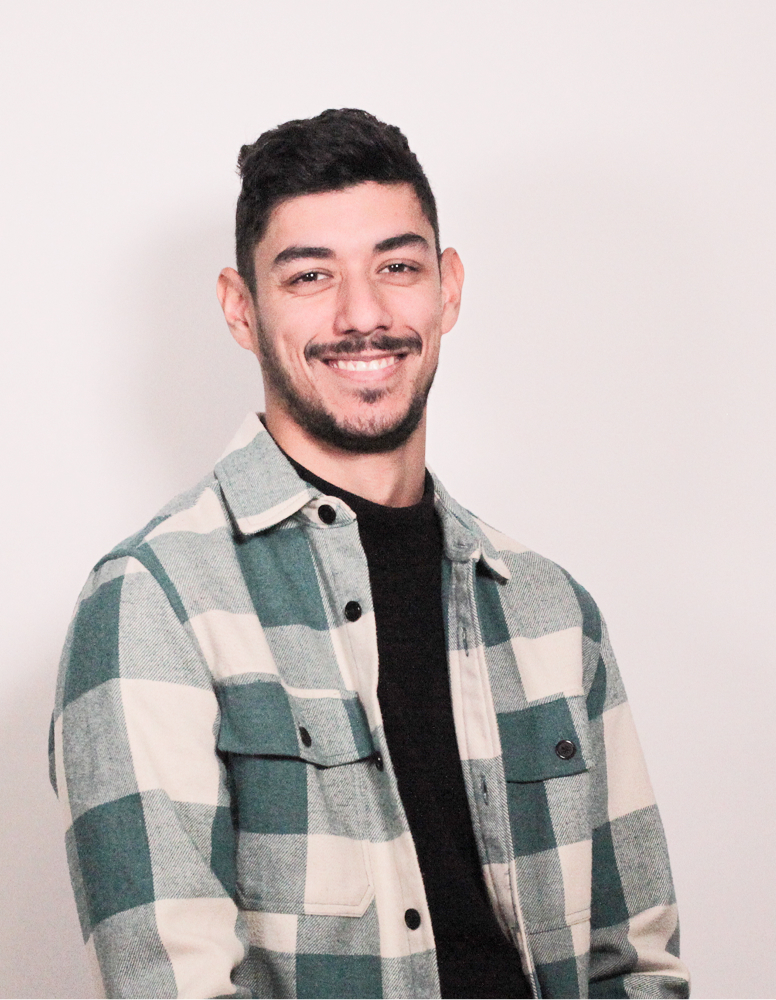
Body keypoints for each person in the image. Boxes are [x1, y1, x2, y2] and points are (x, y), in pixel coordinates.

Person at [51, 109, 689, 1000]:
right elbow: (169, 984)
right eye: (311, 276)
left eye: (397, 267)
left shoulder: (551, 609)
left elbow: (638, 965)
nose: (363, 315)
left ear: (448, 289)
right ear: (242, 309)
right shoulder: (153, 604)